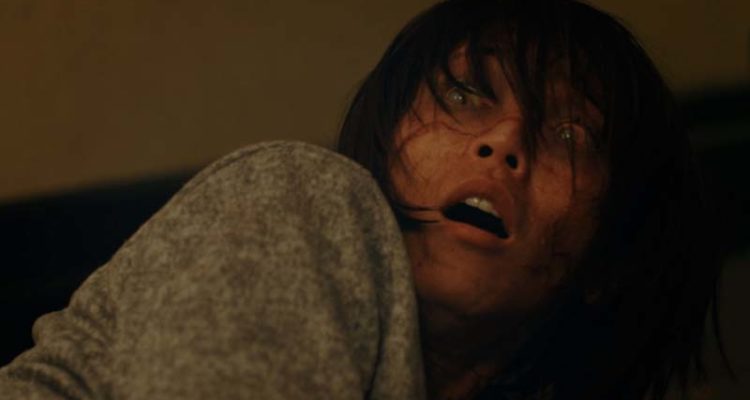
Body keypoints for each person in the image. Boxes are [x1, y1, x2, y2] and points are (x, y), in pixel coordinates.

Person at [0, 0, 730, 399]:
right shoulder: (304, 193)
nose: (504, 140)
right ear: (386, 147)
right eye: (466, 94)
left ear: (609, 257)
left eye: (570, 135)